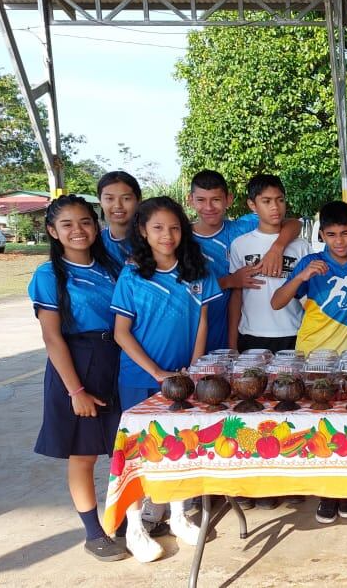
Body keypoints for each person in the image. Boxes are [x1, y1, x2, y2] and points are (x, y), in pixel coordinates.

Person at [111, 196, 222, 562]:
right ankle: (135, 528)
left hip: (184, 375)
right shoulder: (132, 275)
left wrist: (193, 366)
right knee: (139, 454)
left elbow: (202, 321)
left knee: (181, 445)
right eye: (157, 228)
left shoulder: (197, 270)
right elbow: (121, 333)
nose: (167, 235)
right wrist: (156, 372)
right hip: (140, 377)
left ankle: (178, 516)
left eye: (174, 227)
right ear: (143, 231)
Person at [27, 195, 126, 560]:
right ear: (53, 231)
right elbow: (52, 337)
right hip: (77, 364)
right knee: (83, 455)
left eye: (85, 221)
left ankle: (128, 518)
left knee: (123, 446)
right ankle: (93, 532)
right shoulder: (49, 275)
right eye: (66, 224)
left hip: (115, 359)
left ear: (95, 225)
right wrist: (76, 390)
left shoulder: (111, 267)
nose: (78, 230)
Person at [273, 200, 347, 524]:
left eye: (346, 233)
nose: (339, 241)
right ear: (322, 235)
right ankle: (327, 492)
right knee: (321, 425)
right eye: (331, 235)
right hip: (314, 354)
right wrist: (301, 278)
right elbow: (276, 301)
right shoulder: (312, 262)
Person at [187, 169, 303, 351]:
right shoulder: (179, 239)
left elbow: (293, 223)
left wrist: (277, 247)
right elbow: (184, 289)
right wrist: (230, 281)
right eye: (201, 200)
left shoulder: (243, 227)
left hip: (257, 328)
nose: (209, 207)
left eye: (216, 199)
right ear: (190, 200)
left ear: (229, 199)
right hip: (195, 327)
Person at [228, 174, 311, 353]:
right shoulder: (240, 245)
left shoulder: (301, 246)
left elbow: (310, 293)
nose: (275, 207)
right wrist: (232, 341)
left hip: (293, 331)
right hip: (251, 334)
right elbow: (237, 295)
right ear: (252, 205)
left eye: (279, 200)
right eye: (266, 201)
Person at [97, 171, 142, 268]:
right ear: (100, 201)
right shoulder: (95, 242)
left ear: (138, 200)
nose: (118, 205)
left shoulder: (152, 239)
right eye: (109, 199)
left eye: (126, 198)